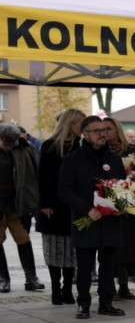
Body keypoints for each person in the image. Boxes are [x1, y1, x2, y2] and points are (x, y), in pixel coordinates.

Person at [58, 116, 126, 319]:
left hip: (110, 221)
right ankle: (84, 304)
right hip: (87, 220)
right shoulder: (72, 160)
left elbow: (122, 185)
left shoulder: (113, 159)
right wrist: (87, 210)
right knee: (85, 266)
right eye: (97, 131)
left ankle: (106, 303)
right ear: (84, 134)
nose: (102, 134)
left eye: (104, 130)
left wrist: (122, 205)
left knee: (107, 265)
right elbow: (65, 190)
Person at [36, 109, 83, 304]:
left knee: (71, 249)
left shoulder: (81, 146)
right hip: (53, 205)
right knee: (55, 248)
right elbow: (43, 177)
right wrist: (44, 203)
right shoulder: (50, 145)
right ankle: (56, 288)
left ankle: (67, 289)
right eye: (81, 123)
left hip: (73, 204)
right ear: (71, 124)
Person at [104, 118, 135, 302]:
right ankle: (109, 286)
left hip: (128, 202)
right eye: (103, 129)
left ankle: (124, 285)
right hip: (108, 201)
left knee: (128, 245)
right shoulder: (101, 151)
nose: (105, 133)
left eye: (109, 129)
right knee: (111, 246)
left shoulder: (130, 150)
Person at [0, 123, 44, 294]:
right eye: (5, 143)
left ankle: (31, 278)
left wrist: (36, 200)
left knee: (24, 239)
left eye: (11, 144)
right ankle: (4, 278)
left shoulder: (26, 149)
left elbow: (38, 172)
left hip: (21, 203)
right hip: (0, 202)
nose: (8, 147)